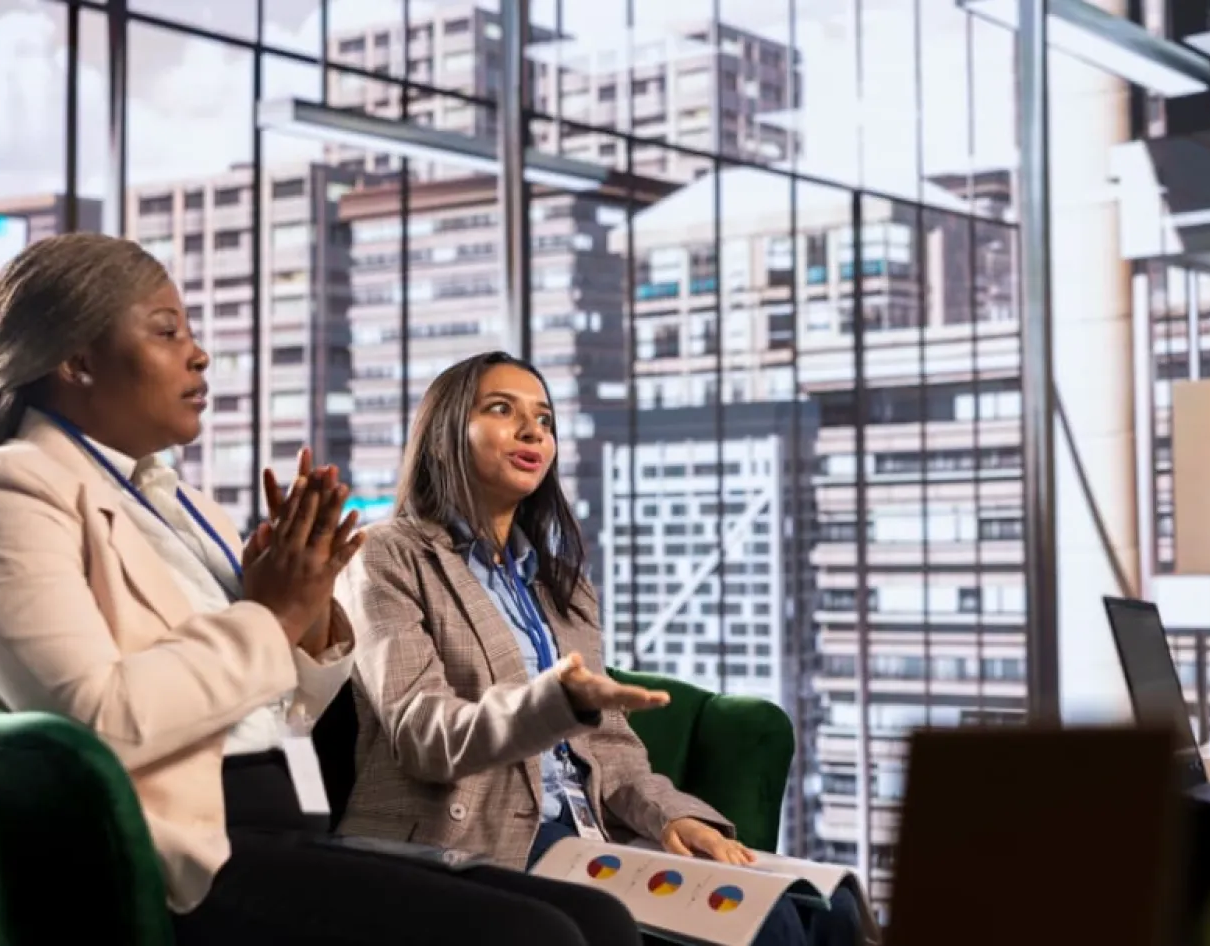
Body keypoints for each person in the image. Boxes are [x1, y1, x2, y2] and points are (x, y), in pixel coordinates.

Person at [0, 234, 639, 946]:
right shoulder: (5, 491)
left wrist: (306, 618)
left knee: (602, 920)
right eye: (166, 331)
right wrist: (272, 615)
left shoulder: (183, 506)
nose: (199, 354)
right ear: (76, 361)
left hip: (276, 825)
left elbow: (281, 713)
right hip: (171, 859)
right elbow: (95, 726)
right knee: (537, 935)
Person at [337, 350, 865, 946]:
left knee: (832, 910)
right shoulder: (386, 555)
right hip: (466, 840)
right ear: (442, 437)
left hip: (587, 834)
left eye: (544, 418)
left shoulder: (561, 585)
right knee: (771, 926)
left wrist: (672, 814)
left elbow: (610, 750)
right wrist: (556, 701)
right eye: (502, 410)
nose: (533, 430)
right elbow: (421, 732)